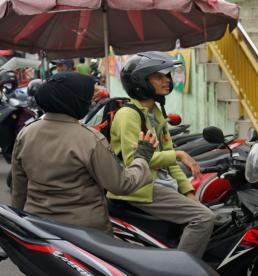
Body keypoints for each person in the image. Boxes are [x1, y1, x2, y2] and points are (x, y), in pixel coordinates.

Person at [11, 72, 157, 235]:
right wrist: (142, 156)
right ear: (75, 100)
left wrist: (18, 226)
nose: (91, 101)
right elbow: (121, 184)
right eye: (88, 96)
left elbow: (19, 189)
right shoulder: (89, 139)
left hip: (38, 227)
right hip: (85, 234)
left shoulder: (26, 133)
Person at [107, 51, 215, 258]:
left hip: (159, 183)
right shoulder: (128, 114)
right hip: (141, 186)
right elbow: (135, 161)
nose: (167, 80)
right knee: (204, 218)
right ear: (141, 81)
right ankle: (181, 271)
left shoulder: (156, 112)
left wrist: (187, 191)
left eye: (167, 75)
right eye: (158, 76)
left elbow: (168, 155)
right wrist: (179, 155)